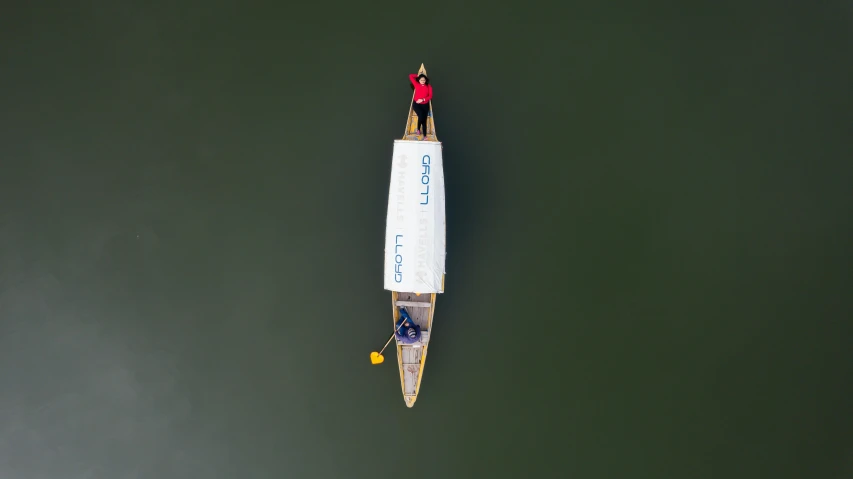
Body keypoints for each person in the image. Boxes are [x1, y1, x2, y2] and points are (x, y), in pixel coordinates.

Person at [408, 73, 433, 139]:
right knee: (421, 115)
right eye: (421, 80)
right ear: (419, 80)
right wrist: (419, 75)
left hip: (425, 104)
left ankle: (424, 135)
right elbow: (410, 76)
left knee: (423, 119)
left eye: (424, 80)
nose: (423, 81)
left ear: (426, 80)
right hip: (417, 104)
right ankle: (418, 130)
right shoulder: (416, 84)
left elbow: (430, 96)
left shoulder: (429, 86)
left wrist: (422, 99)